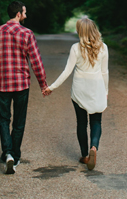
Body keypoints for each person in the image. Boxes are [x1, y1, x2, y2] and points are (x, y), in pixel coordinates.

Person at [0, 1, 50, 174]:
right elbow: (36, 62)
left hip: (1, 83)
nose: (26, 16)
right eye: (24, 13)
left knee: (3, 119)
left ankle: (7, 153)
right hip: (21, 84)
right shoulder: (27, 33)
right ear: (18, 14)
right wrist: (42, 84)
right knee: (19, 122)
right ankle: (15, 156)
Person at [46, 17, 109, 170]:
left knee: (81, 123)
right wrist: (106, 90)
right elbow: (104, 72)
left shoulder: (76, 48)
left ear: (80, 31)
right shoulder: (103, 47)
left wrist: (51, 87)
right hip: (97, 87)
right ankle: (94, 148)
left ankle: (85, 156)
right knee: (96, 122)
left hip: (80, 88)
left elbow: (67, 71)